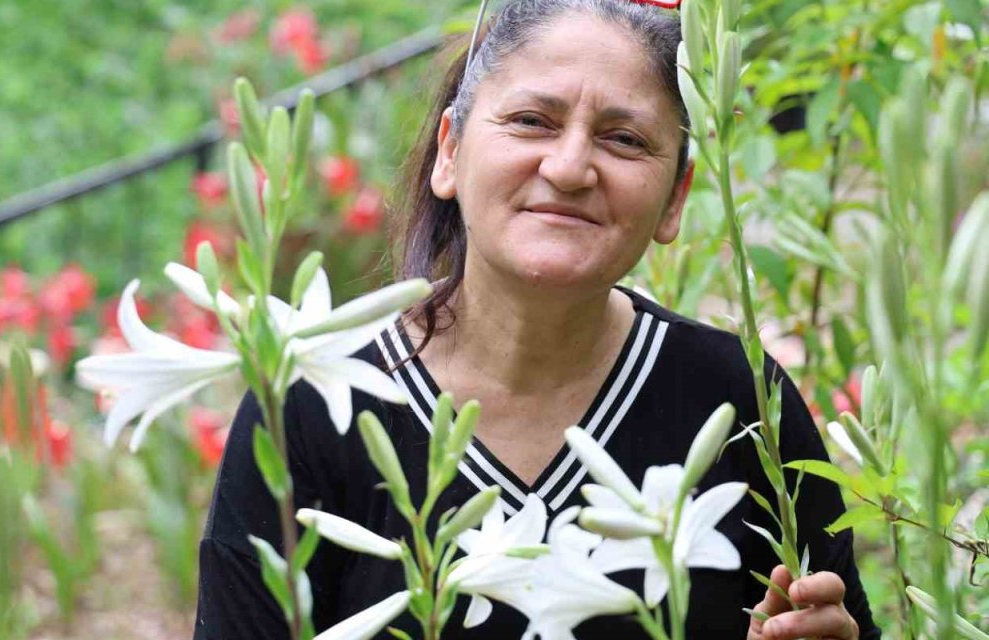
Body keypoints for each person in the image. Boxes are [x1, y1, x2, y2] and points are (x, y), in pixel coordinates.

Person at [195, 0, 881, 638]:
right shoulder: (310, 400)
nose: (571, 165)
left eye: (624, 139)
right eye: (532, 121)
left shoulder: (738, 397)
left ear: (676, 198)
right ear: (450, 152)